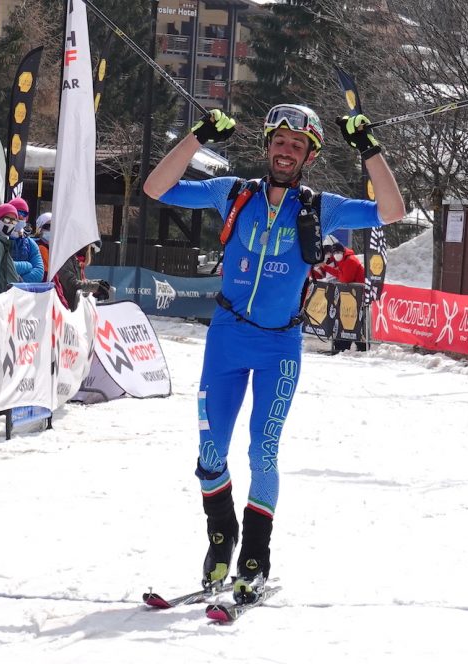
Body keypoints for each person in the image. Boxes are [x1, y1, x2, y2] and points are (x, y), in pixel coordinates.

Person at [143, 105, 404, 601]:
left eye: (297, 146)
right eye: (280, 142)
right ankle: (222, 538)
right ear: (267, 146)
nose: (286, 151)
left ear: (309, 156)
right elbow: (156, 188)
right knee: (210, 454)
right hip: (226, 339)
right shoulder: (233, 193)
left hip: (279, 346)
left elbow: (392, 210)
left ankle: (254, 558)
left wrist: (369, 149)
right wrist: (198, 136)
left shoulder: (321, 207)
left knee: (263, 450)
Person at [310, 235, 368, 353]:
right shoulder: (343, 260)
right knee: (345, 320)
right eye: (334, 253)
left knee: (355, 321)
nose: (336, 255)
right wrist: (324, 267)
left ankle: (360, 346)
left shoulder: (350, 260)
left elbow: (344, 279)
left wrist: (328, 268)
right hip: (349, 296)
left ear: (343, 252)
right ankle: (343, 345)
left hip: (356, 296)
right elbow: (339, 274)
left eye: (338, 252)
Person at [0, 202, 44, 283]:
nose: (20, 217)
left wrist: (17, 282)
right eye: (17, 212)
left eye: (24, 214)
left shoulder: (30, 243)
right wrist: (28, 266)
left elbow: (38, 274)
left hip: (21, 290)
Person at [55, 238, 111, 310]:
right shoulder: (66, 259)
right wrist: (96, 287)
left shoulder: (76, 261)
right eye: (91, 250)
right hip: (64, 309)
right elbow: (72, 284)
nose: (91, 254)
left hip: (73, 308)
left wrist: (98, 283)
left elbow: (80, 281)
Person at [34, 212, 53, 281]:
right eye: (47, 226)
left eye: (53, 226)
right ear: (40, 229)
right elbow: (47, 275)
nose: (51, 230)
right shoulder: (41, 248)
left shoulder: (52, 248)